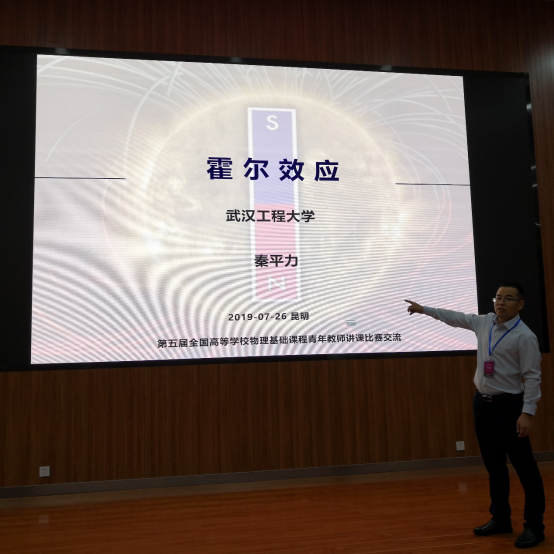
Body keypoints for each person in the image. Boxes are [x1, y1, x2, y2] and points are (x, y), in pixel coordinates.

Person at [405, 283, 545, 549]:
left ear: (520, 304)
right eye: (498, 298)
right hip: (483, 404)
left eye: (508, 299)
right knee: (494, 467)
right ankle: (501, 519)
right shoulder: (485, 322)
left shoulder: (525, 336)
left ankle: (534, 526)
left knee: (526, 470)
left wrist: (527, 413)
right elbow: (456, 317)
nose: (501, 303)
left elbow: (532, 377)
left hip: (510, 407)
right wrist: (424, 310)